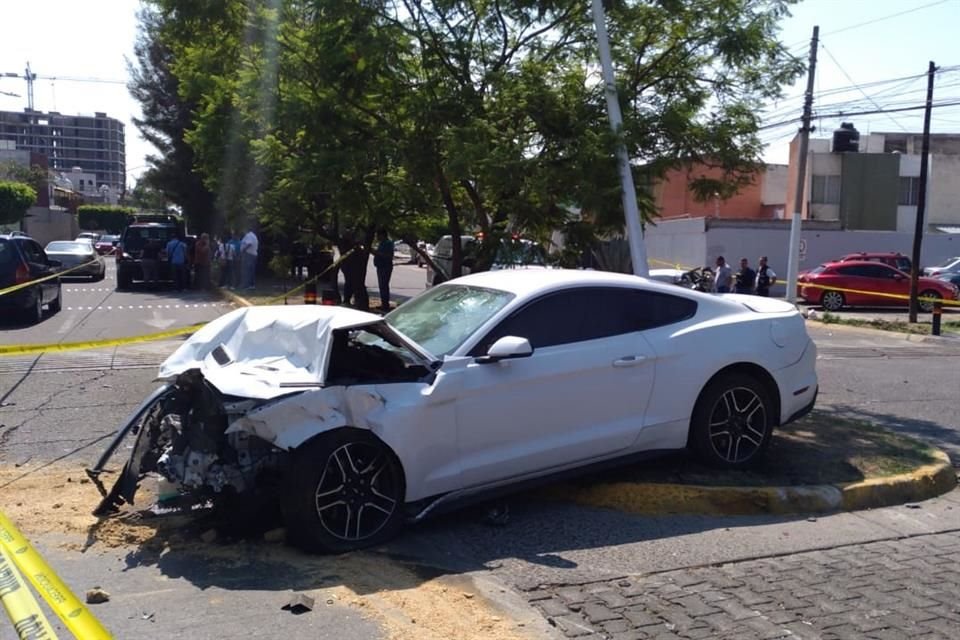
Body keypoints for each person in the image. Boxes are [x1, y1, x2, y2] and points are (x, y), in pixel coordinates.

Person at [373, 228, 395, 311]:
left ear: (382, 235)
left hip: (385, 267)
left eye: (378, 235)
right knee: (382, 286)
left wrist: (376, 253)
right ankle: (384, 303)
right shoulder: (382, 243)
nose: (377, 237)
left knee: (384, 286)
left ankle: (385, 305)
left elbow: (388, 256)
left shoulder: (388, 243)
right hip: (380, 266)